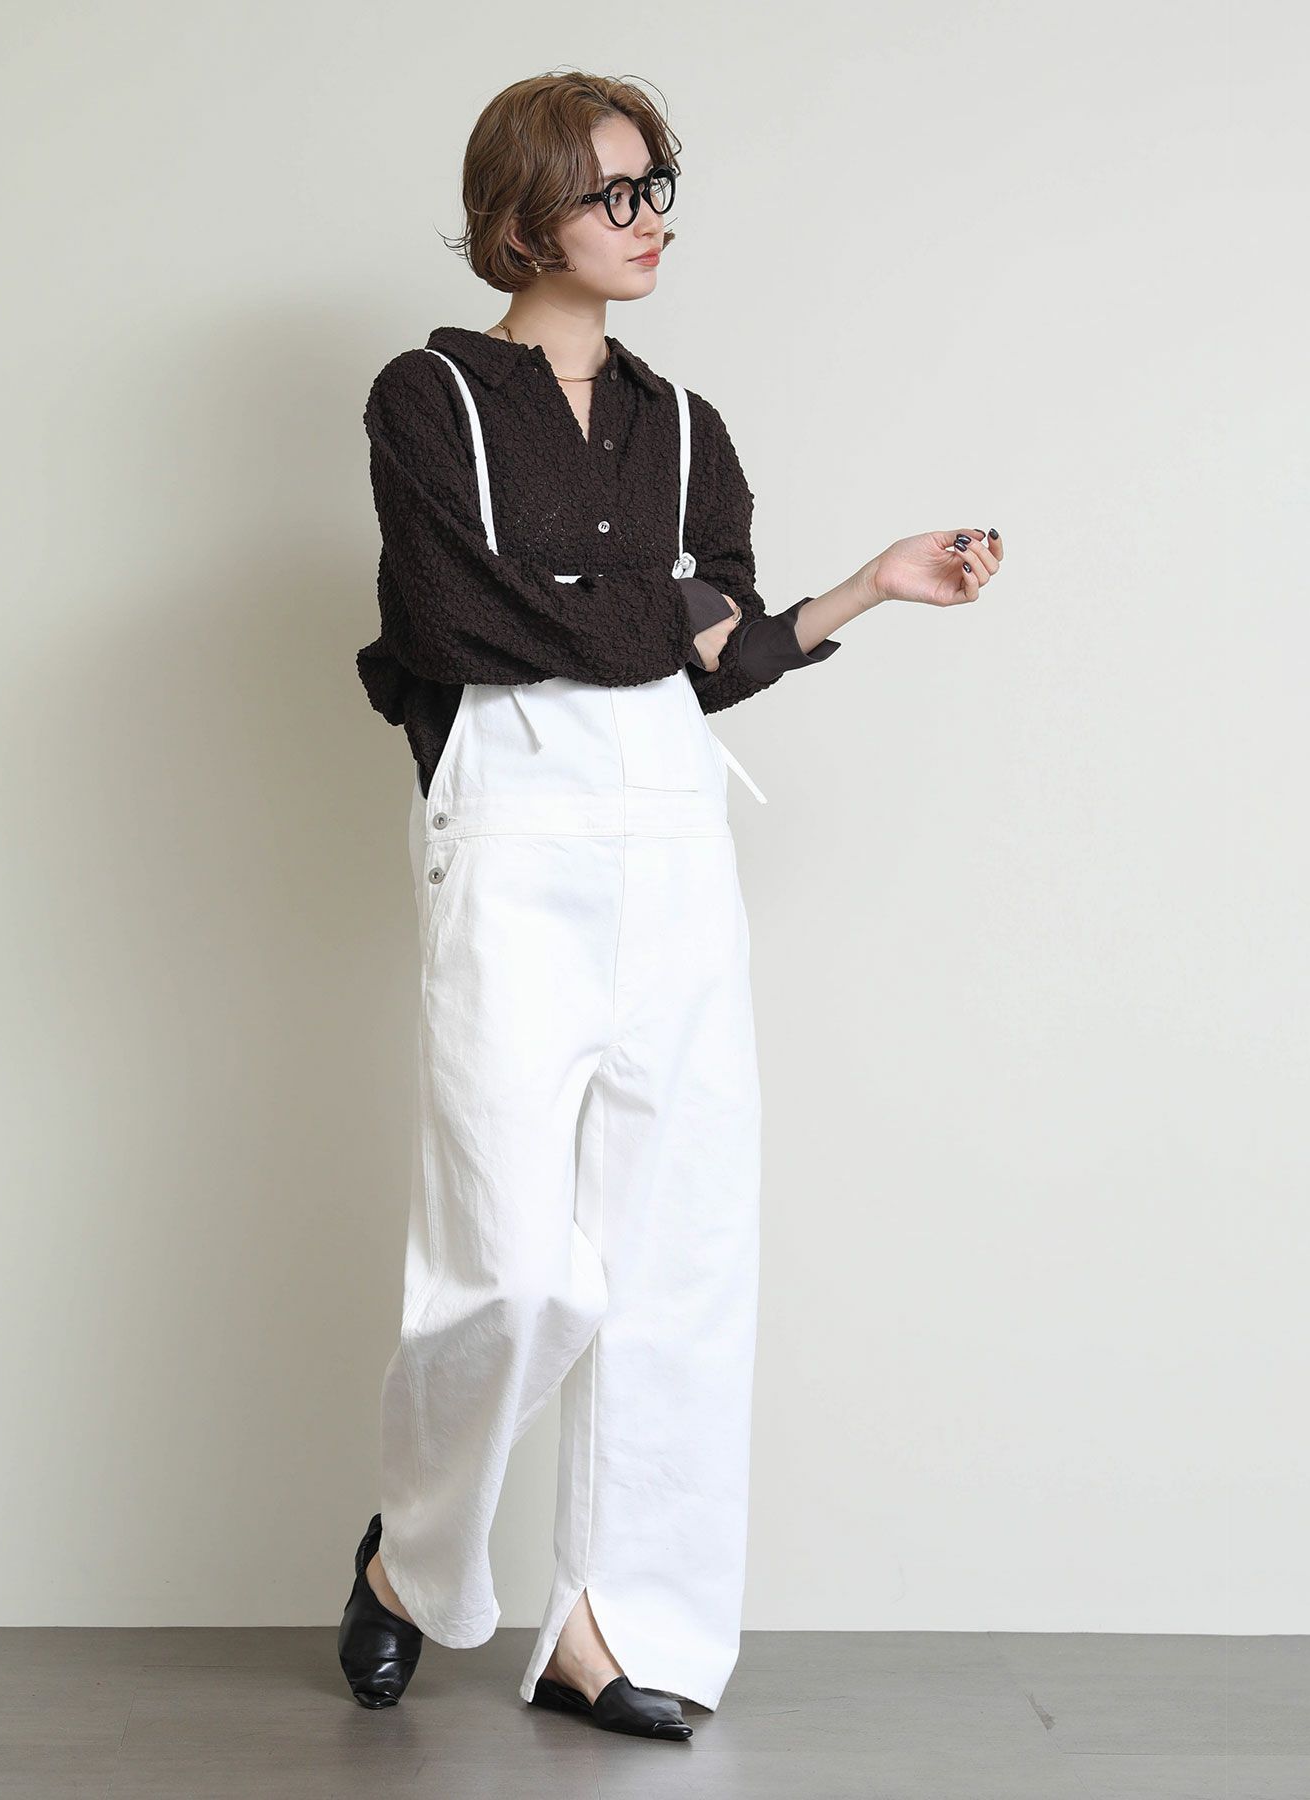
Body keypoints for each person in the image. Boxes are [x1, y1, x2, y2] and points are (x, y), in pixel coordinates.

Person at [339, 71, 1003, 1744]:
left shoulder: (688, 425)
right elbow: (451, 623)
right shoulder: (430, 398)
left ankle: (609, 1628)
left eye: (657, 187)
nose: (649, 220)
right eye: (613, 192)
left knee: (680, 1259)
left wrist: (862, 590)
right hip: (513, 841)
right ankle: (414, 1559)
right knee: (509, 1272)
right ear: (522, 213)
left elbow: (714, 655)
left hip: (675, 848)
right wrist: (658, 611)